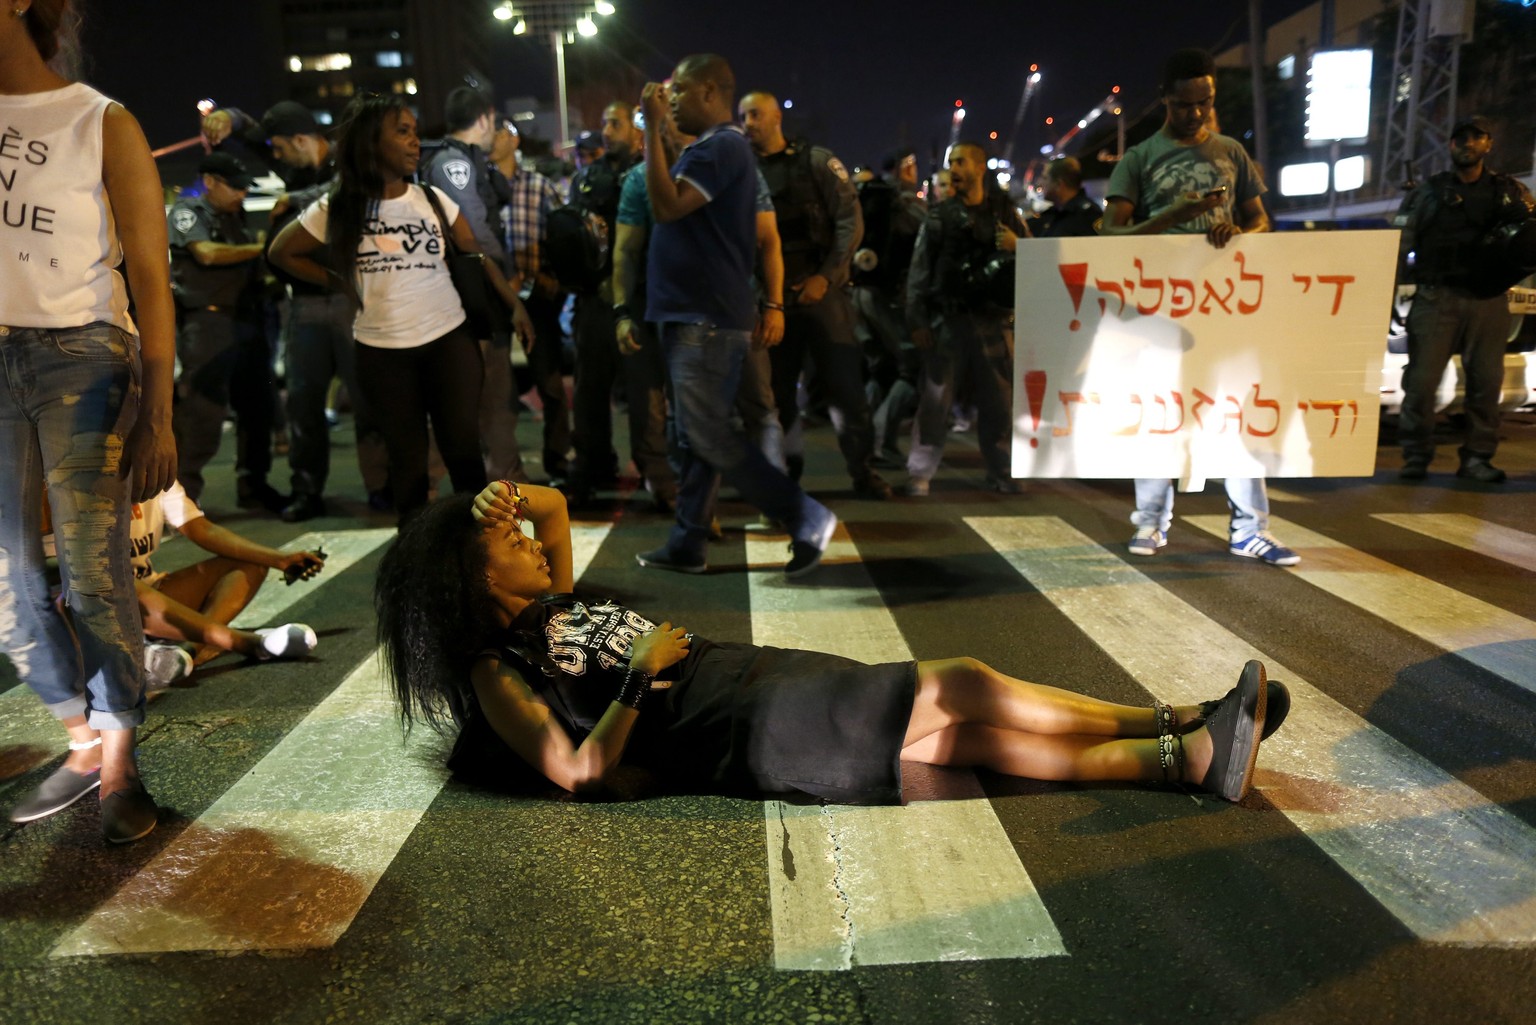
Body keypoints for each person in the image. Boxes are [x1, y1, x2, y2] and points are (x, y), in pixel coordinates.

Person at [375, 482, 1290, 806]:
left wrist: (497, 499)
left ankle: (1185, 758)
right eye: (509, 545)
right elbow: (573, 772)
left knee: (969, 743)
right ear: (474, 579)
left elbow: (551, 505)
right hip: (748, 724)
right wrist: (635, 685)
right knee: (961, 686)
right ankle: (1172, 718)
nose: (533, 544)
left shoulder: (554, 610)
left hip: (751, 683)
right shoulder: (498, 669)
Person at [2, 0, 178, 842]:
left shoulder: (99, 120)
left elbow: (150, 272)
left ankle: (119, 764)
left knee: (92, 570)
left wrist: (161, 411)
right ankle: (78, 734)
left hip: (84, 356)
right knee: (10, 580)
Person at [268, 93, 531, 524]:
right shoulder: (339, 206)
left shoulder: (430, 199)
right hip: (382, 351)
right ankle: (417, 568)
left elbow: (476, 256)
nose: (414, 142)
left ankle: (481, 556)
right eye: (402, 132)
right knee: (406, 468)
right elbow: (282, 253)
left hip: (450, 340)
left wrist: (514, 306)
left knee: (464, 456)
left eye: (414, 131)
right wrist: (340, 283)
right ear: (372, 143)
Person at [633, 54, 837, 577]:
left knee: (709, 436)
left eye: (679, 91)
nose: (670, 99)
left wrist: (653, 128)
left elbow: (666, 205)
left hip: (704, 316)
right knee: (697, 436)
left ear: (707, 92)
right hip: (699, 315)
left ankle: (805, 518)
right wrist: (663, 134)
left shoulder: (721, 146)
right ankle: (688, 543)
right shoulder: (714, 149)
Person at [1099, 48, 1299, 567]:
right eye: (1186, 104)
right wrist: (1176, 215)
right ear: (1166, 100)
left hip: (1226, 309)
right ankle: (1150, 522)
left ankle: (1250, 529)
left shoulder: (1232, 152)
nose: (1197, 114)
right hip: (1160, 311)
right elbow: (1112, 235)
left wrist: (1239, 231)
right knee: (1160, 414)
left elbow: (1262, 222)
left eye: (1205, 103)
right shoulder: (1138, 159)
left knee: (1236, 413)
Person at [739, 91, 890, 499]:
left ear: (775, 118)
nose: (748, 123)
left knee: (846, 390)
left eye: (755, 114)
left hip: (822, 294)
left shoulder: (817, 162)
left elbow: (849, 223)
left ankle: (863, 471)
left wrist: (826, 277)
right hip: (772, 299)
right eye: (743, 116)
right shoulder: (742, 170)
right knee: (777, 396)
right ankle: (786, 474)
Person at [260, 100, 391, 520]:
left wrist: (292, 198)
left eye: (280, 148)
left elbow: (352, 190)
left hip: (350, 299)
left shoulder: (342, 167)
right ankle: (307, 490)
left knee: (369, 399)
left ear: (301, 139)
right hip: (304, 304)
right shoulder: (294, 174)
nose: (277, 157)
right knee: (303, 403)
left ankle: (382, 486)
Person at [1393, 115, 1535, 484]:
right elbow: (1398, 243)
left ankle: (1477, 458)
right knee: (1421, 384)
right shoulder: (1429, 192)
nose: (1467, 144)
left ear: (1488, 144)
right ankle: (1416, 455)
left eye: (1476, 137)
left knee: (1486, 385)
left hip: (1488, 300)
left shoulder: (1510, 192)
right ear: (1451, 145)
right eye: (1460, 138)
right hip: (1437, 297)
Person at [903, 141, 1030, 496]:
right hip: (951, 322)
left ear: (980, 167)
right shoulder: (939, 217)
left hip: (994, 323)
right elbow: (920, 273)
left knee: (1000, 405)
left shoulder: (1007, 213)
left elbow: (1037, 256)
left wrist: (1016, 245)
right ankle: (919, 472)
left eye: (960, 162)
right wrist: (918, 321)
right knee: (934, 403)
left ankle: (1003, 470)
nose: (954, 169)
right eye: (951, 163)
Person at [422, 86, 533, 485]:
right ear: (484, 119)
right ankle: (498, 478)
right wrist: (506, 285)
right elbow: (476, 235)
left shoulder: (461, 161)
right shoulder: (455, 164)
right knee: (489, 394)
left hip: (469, 295)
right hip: (476, 295)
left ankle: (497, 474)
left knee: (481, 394)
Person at [167, 151, 284, 512]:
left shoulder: (238, 216)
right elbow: (206, 254)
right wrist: (263, 249)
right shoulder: (189, 211)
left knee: (257, 410)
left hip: (248, 321)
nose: (241, 194)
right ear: (210, 182)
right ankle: (183, 498)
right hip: (209, 323)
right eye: (233, 187)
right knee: (202, 413)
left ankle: (254, 486)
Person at [129, 482, 324, 687]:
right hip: (108, 604)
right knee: (119, 584)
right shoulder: (96, 477)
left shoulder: (157, 470)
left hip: (148, 592)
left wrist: (279, 559)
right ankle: (245, 642)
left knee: (252, 562)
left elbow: (201, 528)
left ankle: (190, 648)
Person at [563, 100, 646, 507]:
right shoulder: (586, 179)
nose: (607, 131)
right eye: (604, 123)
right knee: (590, 389)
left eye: (616, 123)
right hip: (596, 301)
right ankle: (592, 465)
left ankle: (653, 468)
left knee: (645, 393)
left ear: (636, 130)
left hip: (638, 300)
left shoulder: (650, 173)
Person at [497, 119, 573, 485]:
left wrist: (550, 279)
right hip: (494, 302)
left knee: (551, 385)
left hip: (536, 301)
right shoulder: (478, 188)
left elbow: (562, 237)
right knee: (498, 392)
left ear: (512, 140)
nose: (489, 141)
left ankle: (558, 461)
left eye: (497, 133)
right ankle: (503, 469)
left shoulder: (539, 187)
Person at [853, 148, 926, 468]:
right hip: (890, 294)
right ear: (905, 168)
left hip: (859, 290)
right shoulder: (905, 200)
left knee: (878, 368)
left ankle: (861, 439)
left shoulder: (863, 195)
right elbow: (928, 235)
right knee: (913, 367)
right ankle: (882, 439)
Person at [1025, 156, 1102, 238]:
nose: (1040, 182)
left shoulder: (1087, 215)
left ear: (1058, 184)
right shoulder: (1054, 213)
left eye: (1045, 178)